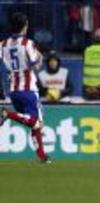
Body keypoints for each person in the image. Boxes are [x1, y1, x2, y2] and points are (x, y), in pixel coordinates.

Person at [0, 12, 50, 163]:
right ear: (25, 26)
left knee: (34, 124)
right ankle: (7, 114)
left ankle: (42, 157)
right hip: (28, 89)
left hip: (13, 90)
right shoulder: (28, 43)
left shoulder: (3, 44)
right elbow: (36, 63)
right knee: (36, 122)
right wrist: (39, 59)